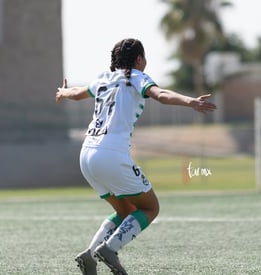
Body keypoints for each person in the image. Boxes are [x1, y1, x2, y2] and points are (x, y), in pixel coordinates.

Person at [56, 38, 216, 275]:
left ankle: (90, 256)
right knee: (150, 207)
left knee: (125, 210)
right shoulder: (137, 77)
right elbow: (160, 94)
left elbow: (79, 93)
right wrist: (190, 101)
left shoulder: (104, 78)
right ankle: (109, 249)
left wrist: (63, 92)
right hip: (110, 155)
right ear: (139, 59)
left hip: (86, 155)